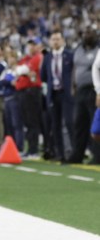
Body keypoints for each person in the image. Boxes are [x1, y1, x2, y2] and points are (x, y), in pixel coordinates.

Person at [66, 29, 100, 164]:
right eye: (85, 33)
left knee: (95, 125)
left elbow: (96, 68)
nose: (87, 35)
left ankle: (97, 156)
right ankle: (77, 155)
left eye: (90, 33)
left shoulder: (98, 49)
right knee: (78, 123)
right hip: (80, 91)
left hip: (94, 91)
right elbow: (75, 68)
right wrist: (73, 85)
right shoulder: (78, 49)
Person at [40, 31, 74, 162]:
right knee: (55, 125)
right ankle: (60, 154)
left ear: (63, 41)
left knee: (70, 123)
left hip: (66, 94)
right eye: (53, 39)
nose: (55, 42)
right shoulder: (48, 57)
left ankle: (74, 152)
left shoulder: (69, 55)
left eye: (58, 39)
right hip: (53, 94)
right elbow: (43, 76)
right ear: (50, 41)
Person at [15, 37, 45, 159]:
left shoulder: (38, 57)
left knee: (33, 122)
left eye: (34, 44)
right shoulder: (26, 58)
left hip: (32, 92)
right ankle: (30, 149)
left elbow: (25, 69)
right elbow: (17, 70)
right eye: (30, 44)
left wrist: (23, 71)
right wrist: (24, 71)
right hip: (23, 92)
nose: (31, 47)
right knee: (27, 122)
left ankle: (34, 150)